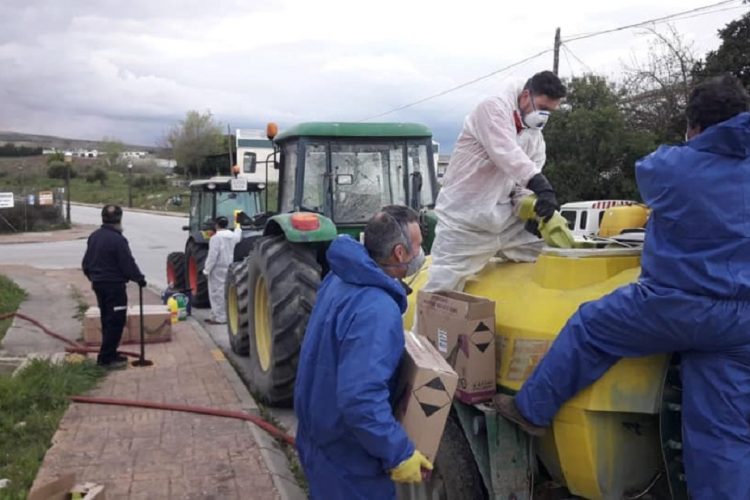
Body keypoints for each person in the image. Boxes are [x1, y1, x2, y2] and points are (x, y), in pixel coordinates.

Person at [496, 75, 750, 499]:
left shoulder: (671, 166)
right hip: (741, 320)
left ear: (695, 126)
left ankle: (531, 410)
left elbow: (648, 178)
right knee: (722, 437)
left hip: (674, 304)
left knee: (591, 326)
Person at [294, 205, 432, 500]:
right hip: (348, 458)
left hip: (318, 436)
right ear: (399, 253)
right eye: (418, 245)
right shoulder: (376, 309)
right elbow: (360, 398)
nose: (421, 252)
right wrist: (399, 452)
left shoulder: (341, 276)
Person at [425, 71, 567, 293]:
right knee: (439, 291)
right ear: (525, 96)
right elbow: (507, 155)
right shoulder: (491, 110)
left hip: (506, 223)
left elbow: (520, 187)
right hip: (464, 222)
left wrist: (531, 208)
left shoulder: (535, 139)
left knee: (557, 252)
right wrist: (542, 186)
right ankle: (423, 328)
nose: (545, 115)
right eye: (542, 107)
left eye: (551, 111)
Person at [82, 205, 146, 369]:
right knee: (116, 321)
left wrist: (94, 278)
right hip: (114, 286)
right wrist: (139, 279)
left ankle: (111, 353)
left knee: (106, 319)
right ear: (119, 219)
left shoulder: (94, 237)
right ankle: (105, 359)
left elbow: (86, 264)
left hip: (99, 285)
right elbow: (127, 264)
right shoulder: (118, 240)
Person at [202, 216, 237, 325]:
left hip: (217, 268)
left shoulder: (215, 238)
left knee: (216, 293)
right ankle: (215, 315)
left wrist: (207, 270)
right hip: (230, 266)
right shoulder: (233, 236)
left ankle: (220, 317)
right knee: (225, 291)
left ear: (217, 225)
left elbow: (212, 256)